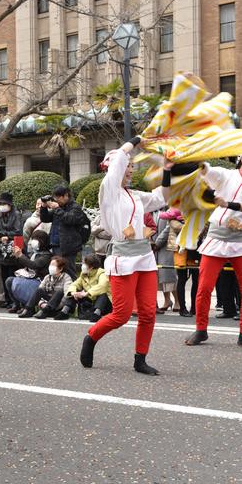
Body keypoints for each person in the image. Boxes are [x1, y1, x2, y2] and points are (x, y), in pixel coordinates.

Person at [80, 137, 172, 375]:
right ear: (114, 168)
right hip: (123, 259)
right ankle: (91, 337)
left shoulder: (135, 195)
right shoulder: (108, 191)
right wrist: (136, 140)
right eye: (127, 166)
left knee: (148, 312)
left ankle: (140, 359)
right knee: (120, 315)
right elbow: (119, 160)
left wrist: (167, 171)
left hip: (145, 257)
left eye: (132, 166)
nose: (131, 170)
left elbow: (161, 197)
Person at [184, 153, 242, 348]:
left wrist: (226, 204)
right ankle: (201, 330)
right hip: (216, 238)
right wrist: (196, 160)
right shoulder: (225, 175)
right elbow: (207, 170)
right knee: (204, 287)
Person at [39, 184, 88, 278]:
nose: (56, 200)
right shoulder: (59, 207)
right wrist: (44, 207)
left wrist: (56, 208)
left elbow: (70, 219)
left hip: (68, 246)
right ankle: (62, 292)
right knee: (58, 273)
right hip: (56, 244)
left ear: (66, 195)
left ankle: (73, 291)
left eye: (58, 197)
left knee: (69, 272)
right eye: (55, 197)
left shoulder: (75, 207)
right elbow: (45, 218)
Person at [6, 229, 52, 314]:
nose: (33, 241)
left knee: (23, 283)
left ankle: (26, 306)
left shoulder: (46, 255)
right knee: (10, 281)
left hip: (39, 280)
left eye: (36, 239)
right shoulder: (33, 253)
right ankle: (16, 304)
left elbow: (33, 265)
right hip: (29, 277)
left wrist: (21, 255)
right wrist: (17, 257)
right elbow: (24, 266)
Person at [55, 254, 112, 322]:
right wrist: (73, 293)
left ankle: (97, 313)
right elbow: (74, 284)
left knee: (103, 293)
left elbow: (102, 285)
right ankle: (65, 311)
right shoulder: (84, 275)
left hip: (106, 304)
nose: (83, 265)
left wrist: (86, 293)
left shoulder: (102, 273)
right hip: (91, 300)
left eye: (84, 263)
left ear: (91, 266)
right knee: (76, 290)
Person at [0, 192, 22, 302]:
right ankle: (7, 300)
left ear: (9, 204)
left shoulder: (16, 214)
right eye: (0, 203)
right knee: (3, 275)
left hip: (12, 249)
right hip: (1, 249)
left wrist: (6, 235)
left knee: (12, 275)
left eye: (4, 203)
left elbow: (18, 231)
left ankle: (14, 300)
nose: (1, 205)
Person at [154, 207, 180, 312]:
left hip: (168, 246)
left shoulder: (171, 208)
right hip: (157, 247)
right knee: (161, 275)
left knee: (169, 275)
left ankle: (178, 301)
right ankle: (167, 300)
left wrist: (158, 242)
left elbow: (169, 228)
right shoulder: (155, 210)